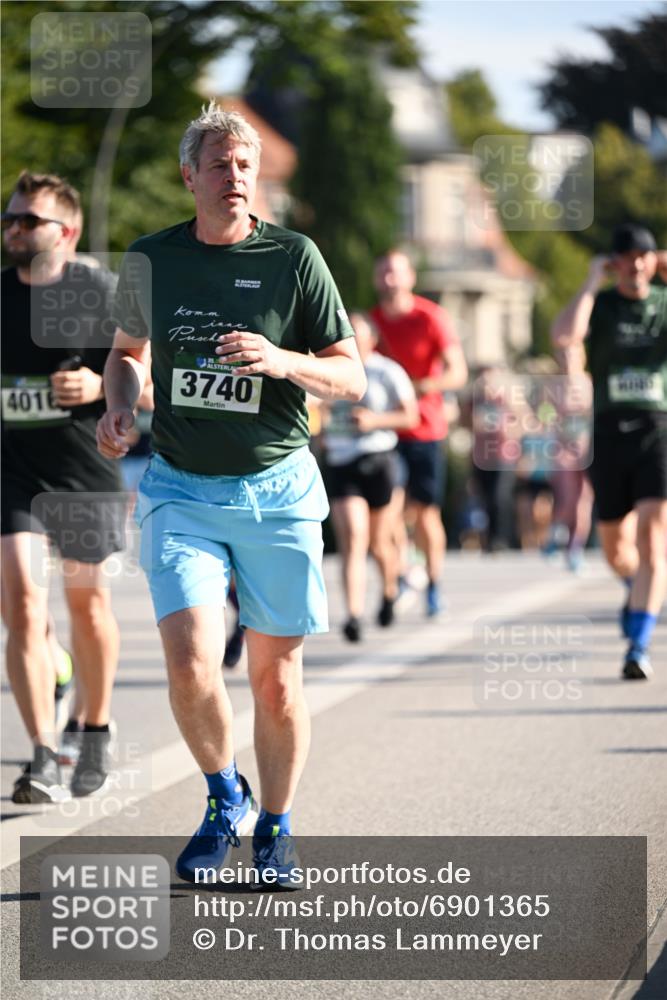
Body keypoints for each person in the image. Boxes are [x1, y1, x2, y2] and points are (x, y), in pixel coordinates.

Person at [97, 104, 365, 882]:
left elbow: (346, 374)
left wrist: (283, 360)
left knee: (276, 683)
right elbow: (126, 352)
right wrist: (121, 400)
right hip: (181, 487)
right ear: (190, 176)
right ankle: (223, 795)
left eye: (245, 166)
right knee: (190, 663)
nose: (236, 177)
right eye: (220, 164)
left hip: (278, 491)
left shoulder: (295, 256)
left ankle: (276, 825)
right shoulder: (151, 259)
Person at [1, 171, 123, 801]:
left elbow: (148, 383)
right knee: (22, 602)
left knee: (87, 606)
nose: (14, 229)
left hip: (82, 468)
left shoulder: (102, 292)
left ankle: (95, 726)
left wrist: (102, 387)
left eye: (29, 221)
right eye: (10, 219)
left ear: (67, 233)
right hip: (11, 469)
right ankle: (42, 754)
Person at [552, 223, 667, 679]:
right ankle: (636, 588)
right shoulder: (600, 306)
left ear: (653, 260)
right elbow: (564, 336)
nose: (636, 264)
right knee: (617, 549)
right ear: (614, 262)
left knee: (653, 542)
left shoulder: (662, 303)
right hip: (608, 432)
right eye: (627, 256)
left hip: (658, 428)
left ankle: (637, 646)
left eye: (644, 255)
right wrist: (590, 281)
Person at [371, 250, 467, 616]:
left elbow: (458, 372)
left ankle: (434, 583)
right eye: (383, 272)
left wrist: (424, 385)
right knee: (388, 512)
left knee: (426, 513)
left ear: (410, 277)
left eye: (396, 272)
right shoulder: (372, 324)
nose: (389, 279)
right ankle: (400, 576)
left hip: (426, 428)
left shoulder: (431, 317)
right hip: (387, 431)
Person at [321, 312, 418, 642]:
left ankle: (390, 590)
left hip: (377, 459)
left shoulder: (386, 371)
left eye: (358, 334)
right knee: (353, 536)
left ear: (372, 340)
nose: (351, 339)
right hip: (341, 460)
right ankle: (353, 615)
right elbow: (312, 406)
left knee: (378, 543)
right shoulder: (327, 366)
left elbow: (411, 415)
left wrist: (375, 421)